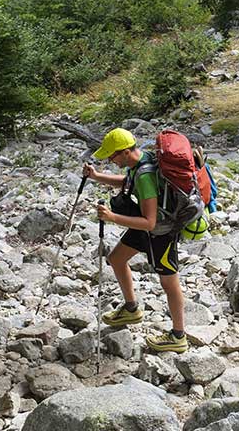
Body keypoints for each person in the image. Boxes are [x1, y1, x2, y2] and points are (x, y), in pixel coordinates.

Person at [83, 128, 188, 353]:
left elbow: (149, 222)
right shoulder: (141, 161)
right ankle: (131, 309)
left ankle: (179, 336)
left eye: (112, 156)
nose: (110, 160)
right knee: (116, 258)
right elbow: (126, 182)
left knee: (169, 283)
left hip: (161, 233)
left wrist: (112, 218)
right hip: (145, 228)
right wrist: (96, 176)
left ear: (124, 152)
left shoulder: (145, 176)